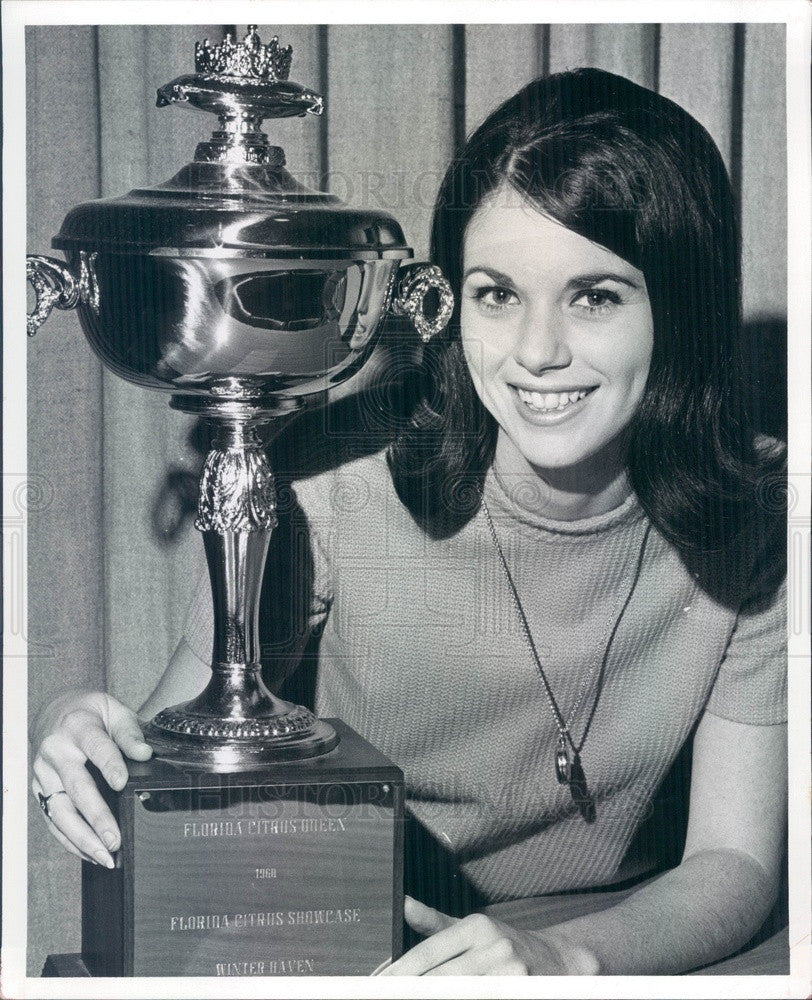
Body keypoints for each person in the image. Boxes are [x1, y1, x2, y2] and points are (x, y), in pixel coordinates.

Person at [31, 68, 787, 976]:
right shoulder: (329, 484)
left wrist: (564, 959)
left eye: (596, 296)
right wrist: (81, 738)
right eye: (497, 294)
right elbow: (170, 761)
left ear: (684, 305)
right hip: (346, 954)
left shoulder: (763, 517)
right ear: (446, 302)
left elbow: (734, 863)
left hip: (606, 936)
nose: (538, 354)